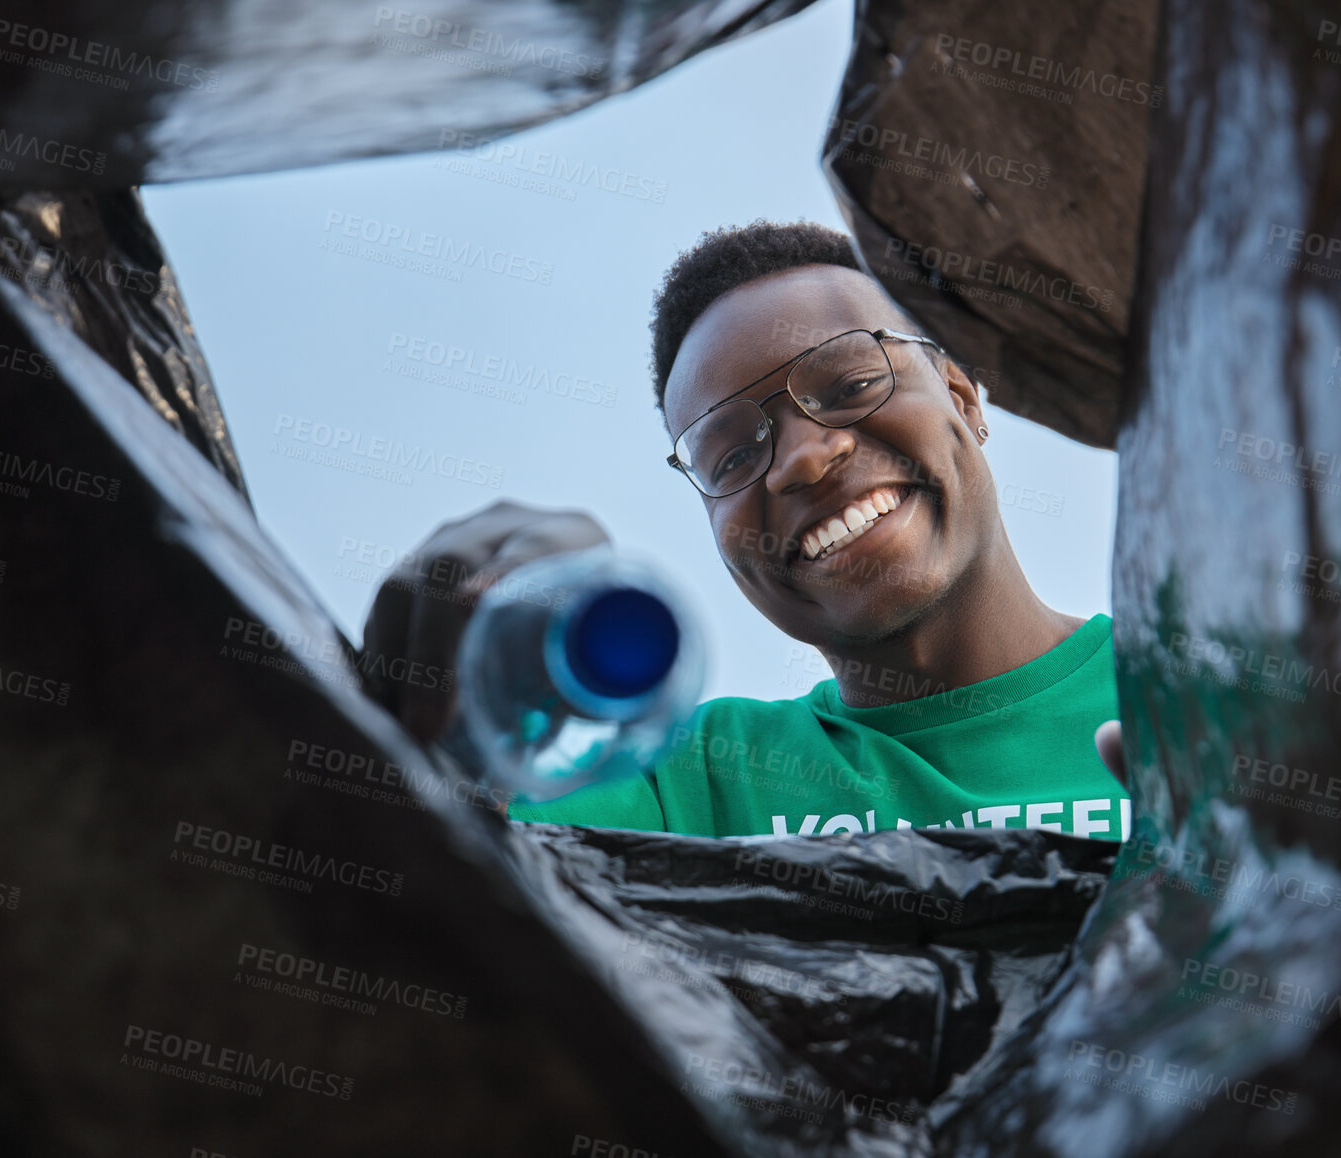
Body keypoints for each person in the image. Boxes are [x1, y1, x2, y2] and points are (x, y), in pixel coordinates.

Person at [359, 220, 1130, 839]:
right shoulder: (679, 786)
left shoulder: (1201, 711)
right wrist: (449, 734)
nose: (802, 459)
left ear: (962, 396)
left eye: (855, 382)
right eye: (730, 455)